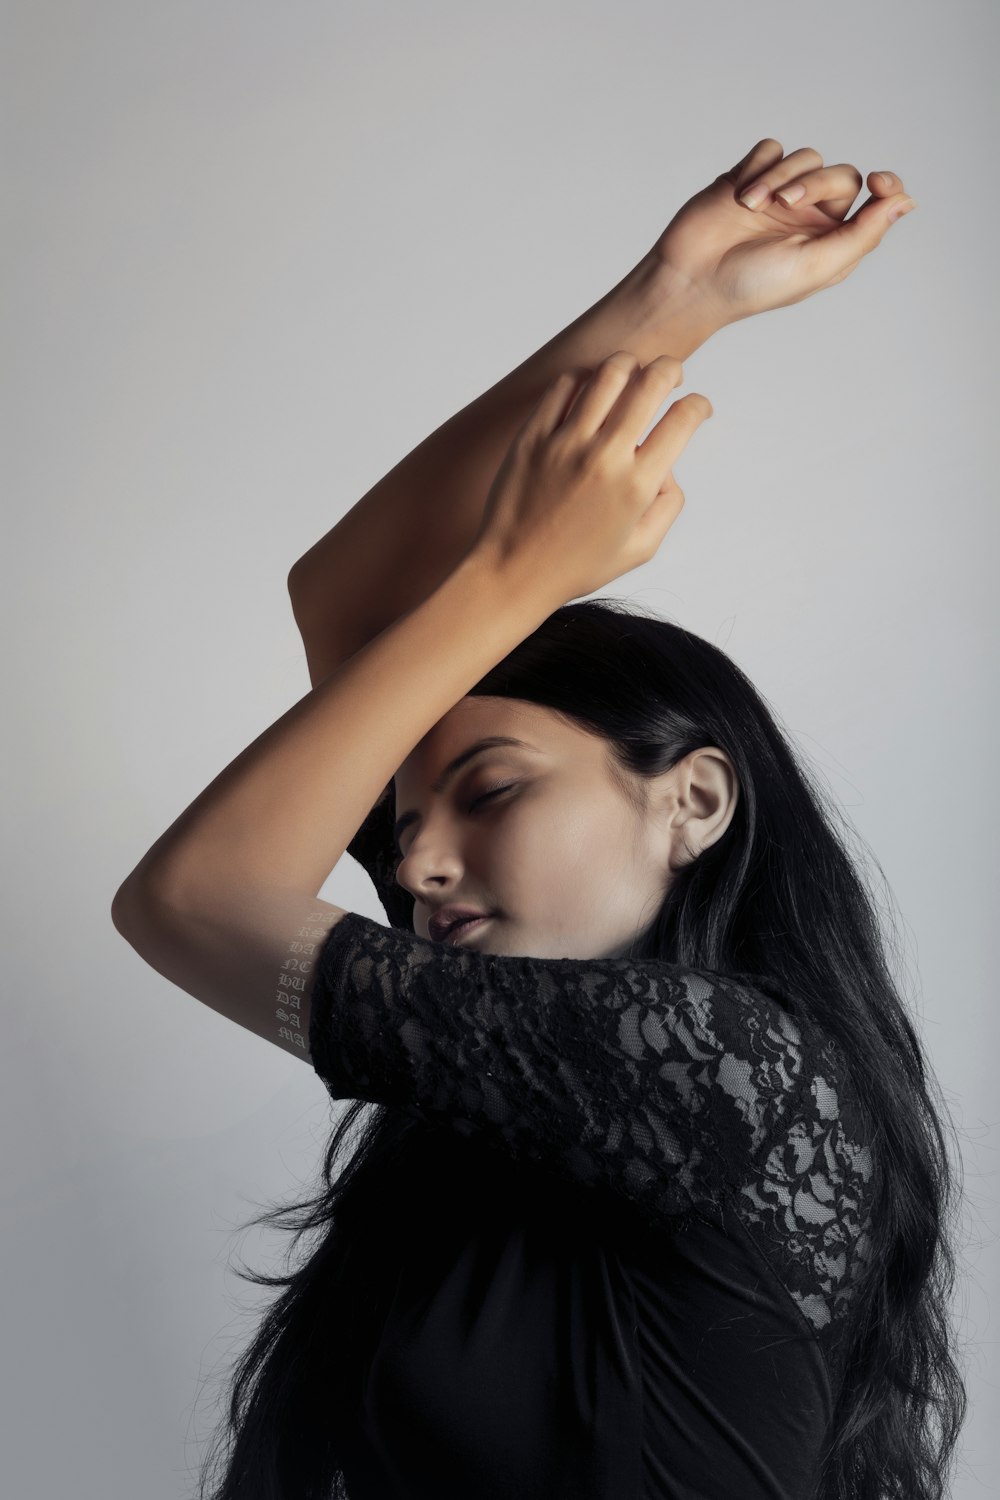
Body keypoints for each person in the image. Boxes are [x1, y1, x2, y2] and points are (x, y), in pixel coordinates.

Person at [114, 140, 967, 1498]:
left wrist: (523, 572)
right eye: (402, 825)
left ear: (692, 800)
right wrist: (672, 297)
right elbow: (347, 599)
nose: (420, 859)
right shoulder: (504, 1019)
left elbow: (190, 899)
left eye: (493, 789)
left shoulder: (720, 1073)